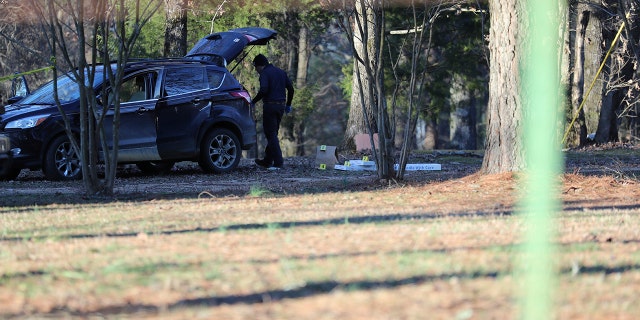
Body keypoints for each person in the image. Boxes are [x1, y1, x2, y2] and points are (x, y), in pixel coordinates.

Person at [252, 54, 294, 170]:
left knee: (270, 134)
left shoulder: (265, 73)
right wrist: (288, 105)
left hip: (270, 106)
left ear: (260, 65)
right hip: (280, 107)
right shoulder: (280, 72)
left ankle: (278, 162)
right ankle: (267, 160)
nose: (256, 71)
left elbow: (264, 89)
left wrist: (253, 101)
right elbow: (291, 89)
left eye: (256, 68)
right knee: (273, 134)